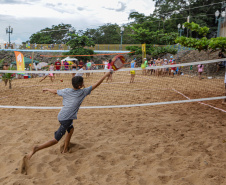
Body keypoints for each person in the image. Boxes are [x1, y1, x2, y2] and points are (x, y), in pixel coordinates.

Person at [27, 71, 112, 159]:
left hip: (62, 115)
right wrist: (105, 75)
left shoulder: (67, 90)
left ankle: (65, 149)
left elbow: (56, 91)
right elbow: (97, 84)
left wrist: (47, 89)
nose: (83, 83)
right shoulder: (82, 92)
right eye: (82, 83)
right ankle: (36, 148)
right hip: (66, 119)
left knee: (71, 130)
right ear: (79, 86)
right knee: (55, 140)